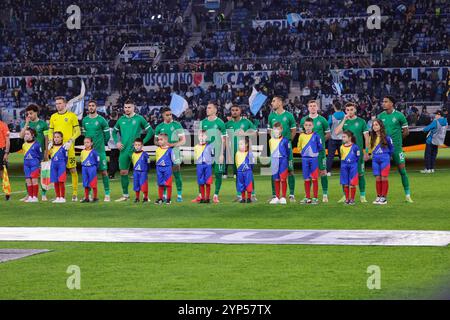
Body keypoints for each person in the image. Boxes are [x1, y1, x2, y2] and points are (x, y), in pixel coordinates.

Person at [112, 100, 154, 202]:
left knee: (141, 173)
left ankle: (145, 196)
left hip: (136, 152)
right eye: (125, 107)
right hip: (124, 150)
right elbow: (114, 132)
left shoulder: (139, 118)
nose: (127, 109)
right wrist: (117, 142)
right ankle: (125, 195)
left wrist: (141, 143)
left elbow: (150, 131)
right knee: (123, 172)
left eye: (129, 107)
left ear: (133, 107)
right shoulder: (121, 120)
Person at [377, 96, 413, 202]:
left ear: (392, 103)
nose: (383, 103)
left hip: (397, 148)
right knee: (383, 174)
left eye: (385, 102)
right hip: (384, 149)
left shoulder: (399, 116)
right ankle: (382, 196)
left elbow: (406, 131)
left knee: (402, 171)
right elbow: (377, 131)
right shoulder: (380, 116)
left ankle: (407, 195)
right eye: (383, 101)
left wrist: (396, 140)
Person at [334, 102, 370, 203]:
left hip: (358, 153)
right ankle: (345, 196)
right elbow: (336, 132)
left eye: (351, 109)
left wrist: (367, 151)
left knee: (360, 174)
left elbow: (367, 138)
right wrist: (344, 120)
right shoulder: (344, 121)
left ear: (355, 110)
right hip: (345, 153)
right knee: (345, 175)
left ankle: (362, 195)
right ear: (345, 111)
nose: (350, 112)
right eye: (348, 110)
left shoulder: (361, 121)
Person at [192, 102, 227, 203]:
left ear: (215, 110)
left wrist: (221, 154)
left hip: (217, 151)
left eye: (209, 108)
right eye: (207, 108)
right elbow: (200, 137)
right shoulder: (203, 122)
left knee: (218, 173)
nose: (207, 110)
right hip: (205, 153)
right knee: (201, 174)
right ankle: (200, 195)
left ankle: (215, 195)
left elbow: (224, 140)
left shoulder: (220, 122)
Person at [48, 97, 81, 201]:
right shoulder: (53, 117)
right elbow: (50, 131)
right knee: (57, 171)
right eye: (56, 103)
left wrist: (70, 140)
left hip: (68, 148)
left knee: (72, 169)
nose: (58, 105)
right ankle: (59, 196)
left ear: (65, 104)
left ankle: (75, 193)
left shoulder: (72, 116)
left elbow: (78, 131)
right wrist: (50, 141)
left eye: (60, 103)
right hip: (56, 149)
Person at [299, 100, 330, 202]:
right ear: (308, 108)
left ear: (317, 107)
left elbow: (328, 134)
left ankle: (325, 194)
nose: (312, 107)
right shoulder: (304, 120)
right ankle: (308, 195)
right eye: (310, 106)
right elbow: (302, 135)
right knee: (309, 174)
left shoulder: (323, 120)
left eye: (314, 106)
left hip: (320, 152)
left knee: (323, 171)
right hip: (308, 154)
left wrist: (317, 144)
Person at [268, 96, 297, 202]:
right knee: (274, 171)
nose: (272, 103)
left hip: (286, 148)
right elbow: (269, 131)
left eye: (273, 101)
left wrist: (288, 142)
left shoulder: (289, 115)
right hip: (275, 148)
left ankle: (291, 194)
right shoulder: (271, 116)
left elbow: (293, 131)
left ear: (280, 103)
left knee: (290, 171)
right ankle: (274, 194)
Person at [225, 104, 257, 201]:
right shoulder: (228, 124)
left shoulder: (246, 122)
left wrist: (245, 133)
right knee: (237, 173)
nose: (234, 111)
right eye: (232, 110)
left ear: (240, 111)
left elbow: (255, 133)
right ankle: (239, 195)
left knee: (249, 173)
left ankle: (252, 194)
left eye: (236, 110)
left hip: (246, 153)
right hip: (235, 153)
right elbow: (225, 139)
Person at [81, 100, 111, 201]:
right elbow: (85, 135)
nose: (91, 107)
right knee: (88, 173)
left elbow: (107, 135)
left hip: (100, 151)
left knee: (104, 172)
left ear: (96, 107)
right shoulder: (85, 120)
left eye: (93, 106)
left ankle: (107, 194)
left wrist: (102, 144)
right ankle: (88, 195)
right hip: (88, 152)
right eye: (89, 106)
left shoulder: (102, 120)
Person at [154, 107, 186, 202]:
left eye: (170, 114)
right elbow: (155, 141)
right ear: (163, 115)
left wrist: (172, 145)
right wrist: (161, 144)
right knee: (163, 175)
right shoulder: (159, 127)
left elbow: (183, 140)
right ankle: (164, 195)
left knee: (176, 173)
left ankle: (179, 194)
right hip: (163, 153)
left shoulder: (177, 125)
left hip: (174, 152)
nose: (169, 116)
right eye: (167, 115)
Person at [19, 104, 49, 201]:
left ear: (36, 112)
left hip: (39, 153)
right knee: (28, 175)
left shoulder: (43, 124)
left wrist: (46, 152)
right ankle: (29, 195)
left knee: (42, 174)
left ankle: (44, 194)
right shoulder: (25, 123)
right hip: (28, 154)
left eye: (31, 113)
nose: (29, 115)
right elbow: (20, 136)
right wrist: (26, 123)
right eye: (28, 114)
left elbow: (46, 139)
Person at [297, 118, 323, 205]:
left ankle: (315, 198)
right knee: (306, 179)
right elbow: (299, 146)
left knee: (315, 178)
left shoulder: (316, 136)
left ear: (313, 126)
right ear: (304, 126)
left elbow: (320, 147)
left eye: (310, 125)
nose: (308, 127)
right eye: (306, 125)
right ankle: (307, 197)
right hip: (305, 160)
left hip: (314, 160)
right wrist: (302, 152)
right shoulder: (301, 136)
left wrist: (314, 153)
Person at [369, 119, 394, 205]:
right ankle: (378, 196)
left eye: (376, 125)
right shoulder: (372, 137)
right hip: (375, 160)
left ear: (380, 126)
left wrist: (387, 156)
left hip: (384, 159)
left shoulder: (387, 137)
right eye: (373, 125)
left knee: (384, 177)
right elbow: (371, 148)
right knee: (377, 178)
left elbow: (392, 148)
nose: (374, 126)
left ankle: (384, 197)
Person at [269, 122, 290, 205]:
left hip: (283, 161)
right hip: (274, 161)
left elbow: (288, 151)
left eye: (278, 129)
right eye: (275, 129)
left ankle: (283, 197)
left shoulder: (285, 140)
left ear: (281, 130)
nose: (276, 131)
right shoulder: (271, 140)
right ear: (272, 130)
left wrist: (286, 159)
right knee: (276, 179)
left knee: (283, 179)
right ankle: (277, 197)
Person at [340, 131, 360, 205]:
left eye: (344, 137)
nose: (343, 138)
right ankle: (347, 199)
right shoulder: (341, 147)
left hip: (353, 166)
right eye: (342, 137)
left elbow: (358, 157)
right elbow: (342, 156)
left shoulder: (355, 147)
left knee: (352, 183)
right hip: (344, 166)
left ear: (349, 138)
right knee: (345, 183)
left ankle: (352, 199)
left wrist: (353, 163)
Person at [22, 128, 42, 203]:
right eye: (25, 134)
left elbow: (40, 155)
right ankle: (30, 196)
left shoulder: (37, 144)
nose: (26, 135)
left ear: (32, 135)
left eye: (28, 134)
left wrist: (39, 165)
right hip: (26, 165)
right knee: (28, 181)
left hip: (34, 165)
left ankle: (35, 197)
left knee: (34, 181)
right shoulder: (24, 145)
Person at [194, 130, 214, 204]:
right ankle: (202, 198)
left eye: (203, 136)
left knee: (208, 182)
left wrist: (209, 163)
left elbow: (212, 156)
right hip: (199, 166)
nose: (201, 137)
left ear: (206, 137)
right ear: (198, 137)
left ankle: (207, 198)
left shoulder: (209, 146)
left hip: (207, 166)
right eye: (200, 136)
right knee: (201, 182)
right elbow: (196, 156)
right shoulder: (196, 147)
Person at [155, 133, 175, 205]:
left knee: (168, 184)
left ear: (166, 140)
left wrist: (169, 167)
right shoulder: (157, 150)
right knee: (160, 184)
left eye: (161, 139)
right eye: (158, 140)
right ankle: (160, 199)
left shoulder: (170, 150)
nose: (159, 141)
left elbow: (173, 160)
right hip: (159, 169)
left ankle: (168, 199)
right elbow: (157, 160)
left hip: (167, 169)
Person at [49, 131, 68, 203]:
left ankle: (62, 197)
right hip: (53, 165)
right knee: (55, 181)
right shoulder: (51, 147)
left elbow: (66, 158)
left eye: (58, 137)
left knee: (61, 181)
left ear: (61, 138)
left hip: (61, 165)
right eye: (55, 137)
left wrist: (63, 165)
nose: (56, 139)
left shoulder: (64, 147)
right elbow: (49, 156)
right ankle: (57, 197)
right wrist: (48, 149)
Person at [326, 101, 344, 175]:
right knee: (343, 156)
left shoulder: (332, 116)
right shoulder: (345, 115)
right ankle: (344, 171)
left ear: (334, 107)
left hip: (333, 138)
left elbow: (327, 125)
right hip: (343, 139)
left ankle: (328, 171)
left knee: (330, 156)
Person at [235, 136, 254, 204]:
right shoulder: (237, 153)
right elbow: (236, 163)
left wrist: (249, 170)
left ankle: (249, 198)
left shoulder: (250, 154)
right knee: (241, 185)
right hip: (240, 172)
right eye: (239, 144)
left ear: (246, 144)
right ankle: (243, 198)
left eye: (241, 144)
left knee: (248, 185)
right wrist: (239, 170)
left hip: (248, 172)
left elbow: (252, 164)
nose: (239, 146)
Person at [80, 137, 99, 203]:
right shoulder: (82, 152)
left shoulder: (94, 152)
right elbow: (81, 159)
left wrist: (95, 168)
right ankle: (86, 198)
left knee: (93, 183)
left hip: (92, 168)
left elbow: (97, 161)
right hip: (84, 168)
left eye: (88, 142)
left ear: (91, 143)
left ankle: (95, 197)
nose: (86, 144)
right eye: (85, 142)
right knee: (85, 183)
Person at [132, 138, 149, 203]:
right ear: (134, 145)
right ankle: (137, 198)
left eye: (139, 145)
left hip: (143, 172)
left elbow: (148, 163)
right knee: (136, 185)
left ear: (142, 145)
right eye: (136, 145)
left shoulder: (145, 154)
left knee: (143, 185)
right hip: (136, 172)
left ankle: (145, 198)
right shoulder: (133, 154)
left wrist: (146, 171)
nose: (137, 146)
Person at [0, 117, 11, 200]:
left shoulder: (3, 125)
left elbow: (7, 140)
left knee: (2, 173)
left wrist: (6, 153)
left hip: (1, 151)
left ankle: (7, 194)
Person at [108, 112, 120, 179]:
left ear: (110, 116)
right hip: (119, 143)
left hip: (111, 144)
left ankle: (111, 174)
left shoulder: (107, 123)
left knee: (113, 160)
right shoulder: (118, 123)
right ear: (117, 116)